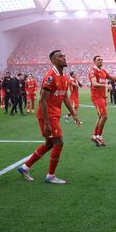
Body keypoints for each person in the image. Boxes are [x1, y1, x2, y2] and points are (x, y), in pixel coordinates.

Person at [17, 50, 81, 184]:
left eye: (64, 55)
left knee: (49, 144)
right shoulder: (50, 76)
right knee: (59, 142)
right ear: (53, 61)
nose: (64, 58)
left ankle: (25, 167)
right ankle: (51, 176)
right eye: (60, 57)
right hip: (48, 115)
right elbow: (43, 101)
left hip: (54, 114)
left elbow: (65, 97)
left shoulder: (64, 77)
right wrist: (46, 122)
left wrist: (74, 114)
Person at [88, 55, 116, 147]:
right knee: (104, 116)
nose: (101, 61)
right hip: (96, 97)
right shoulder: (92, 71)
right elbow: (94, 83)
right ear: (94, 61)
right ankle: (99, 136)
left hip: (102, 97)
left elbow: (114, 79)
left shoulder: (103, 71)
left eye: (101, 59)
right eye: (98, 60)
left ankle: (95, 136)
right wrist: (106, 86)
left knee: (100, 116)